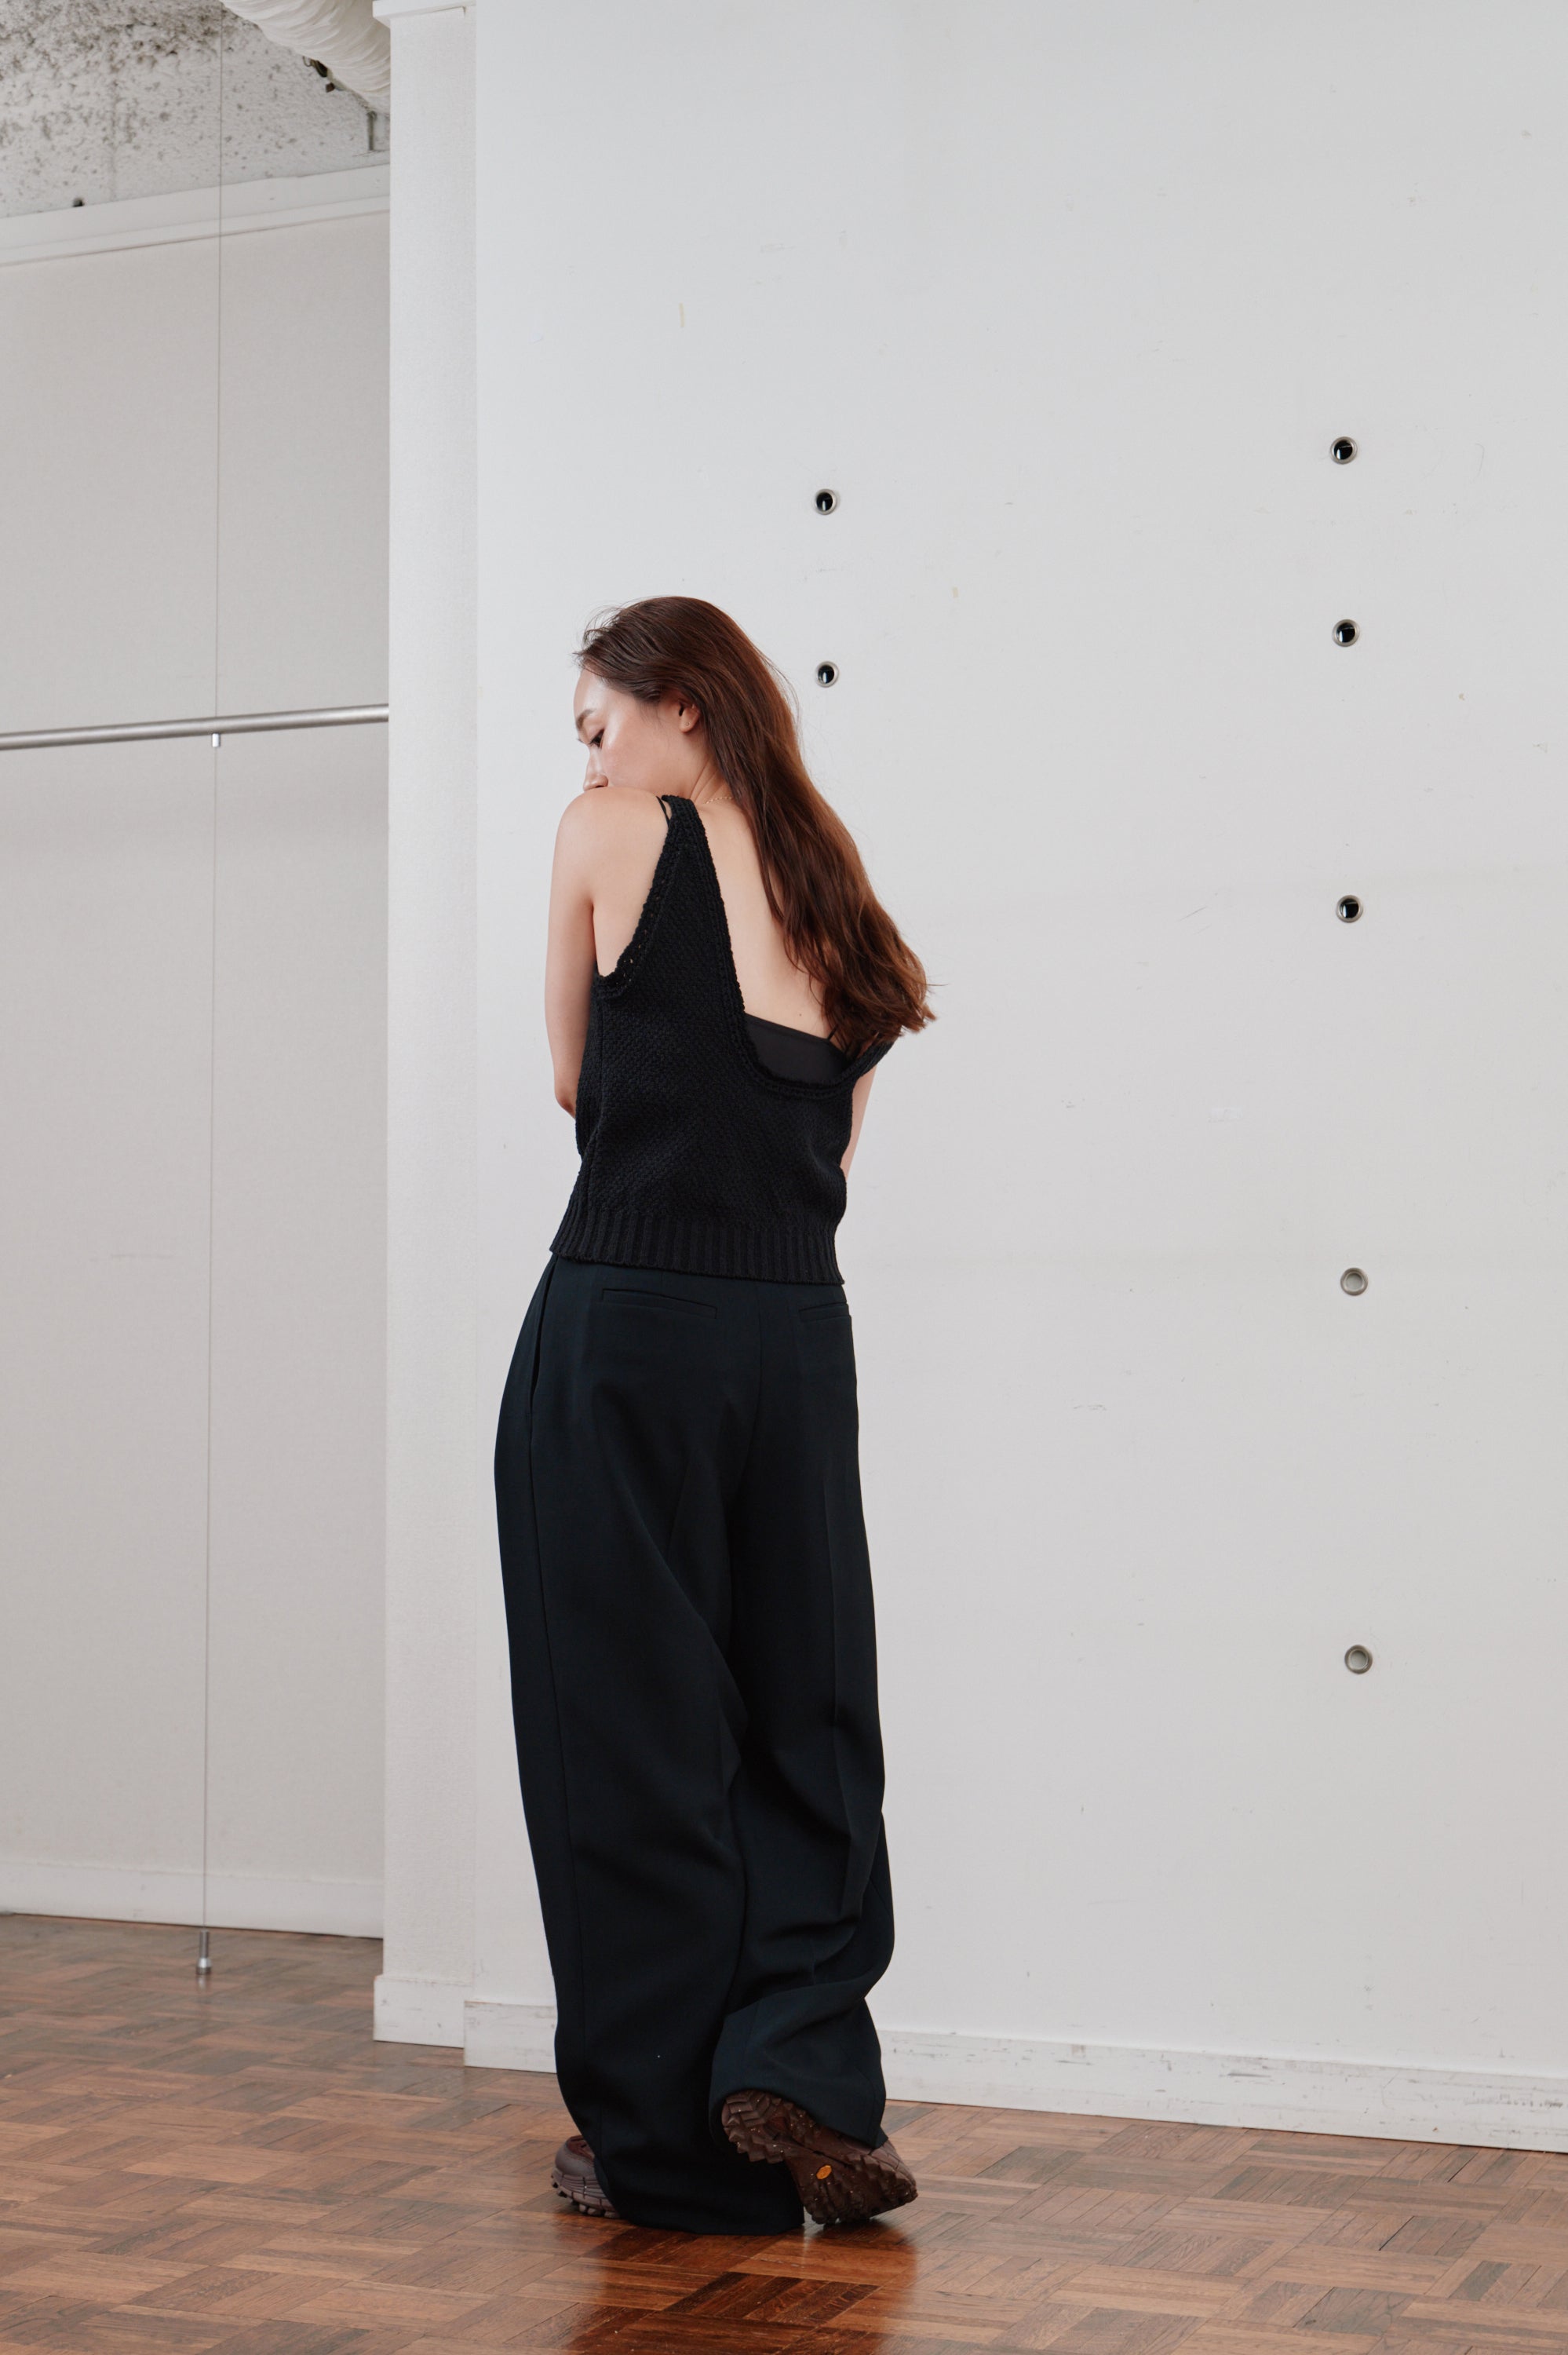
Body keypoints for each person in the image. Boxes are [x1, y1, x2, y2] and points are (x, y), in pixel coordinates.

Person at [494, 596, 933, 2234]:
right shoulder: (841, 897)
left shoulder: (611, 835)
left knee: (628, 1733)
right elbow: (826, 1142)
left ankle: (670, 2155)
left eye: (598, 723)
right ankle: (801, 2066)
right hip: (796, 1344)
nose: (590, 759)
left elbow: (576, 1084)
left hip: (628, 1327)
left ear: (677, 702)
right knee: (808, 1719)